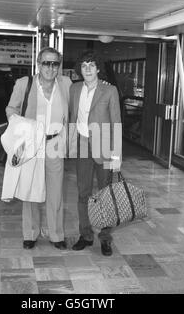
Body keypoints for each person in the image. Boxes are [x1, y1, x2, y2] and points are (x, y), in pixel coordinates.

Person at [5, 47, 72, 250]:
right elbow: (11, 108)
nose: (50, 68)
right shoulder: (25, 84)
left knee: (55, 192)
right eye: (46, 63)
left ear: (59, 67)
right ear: (38, 64)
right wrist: (21, 129)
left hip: (55, 144)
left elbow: (84, 95)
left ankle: (56, 234)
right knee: (30, 189)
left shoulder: (66, 84)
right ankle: (30, 233)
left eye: (55, 64)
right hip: (31, 144)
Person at [69, 50, 122, 256]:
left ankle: (105, 238)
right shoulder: (74, 89)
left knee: (105, 194)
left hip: (104, 147)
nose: (88, 69)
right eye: (84, 65)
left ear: (98, 68)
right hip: (82, 145)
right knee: (83, 194)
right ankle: (85, 235)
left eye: (92, 64)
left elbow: (116, 123)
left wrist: (116, 156)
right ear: (79, 70)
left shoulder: (109, 91)